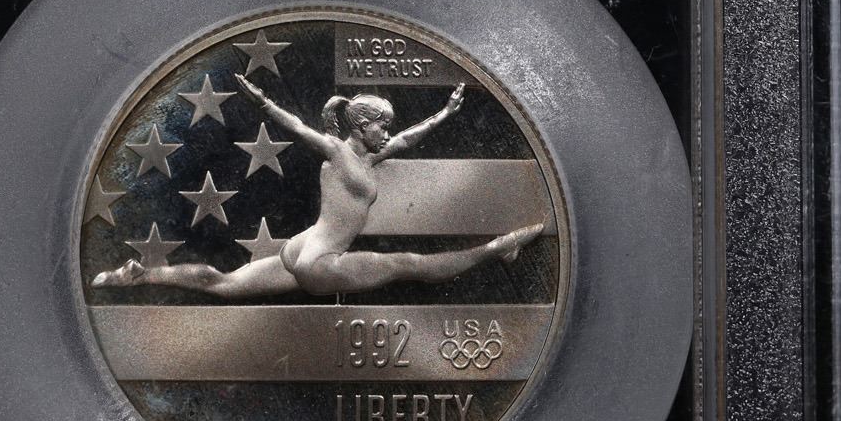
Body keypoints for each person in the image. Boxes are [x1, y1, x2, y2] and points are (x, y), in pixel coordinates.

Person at [91, 76, 544, 296]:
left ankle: (142, 274)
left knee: (223, 284)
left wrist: (444, 113)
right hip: (319, 262)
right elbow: (297, 127)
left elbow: (407, 139)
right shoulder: (338, 150)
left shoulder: (367, 156)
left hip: (299, 249)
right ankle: (498, 248)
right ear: (361, 126)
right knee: (410, 263)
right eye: (382, 126)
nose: (387, 133)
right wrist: (264, 102)